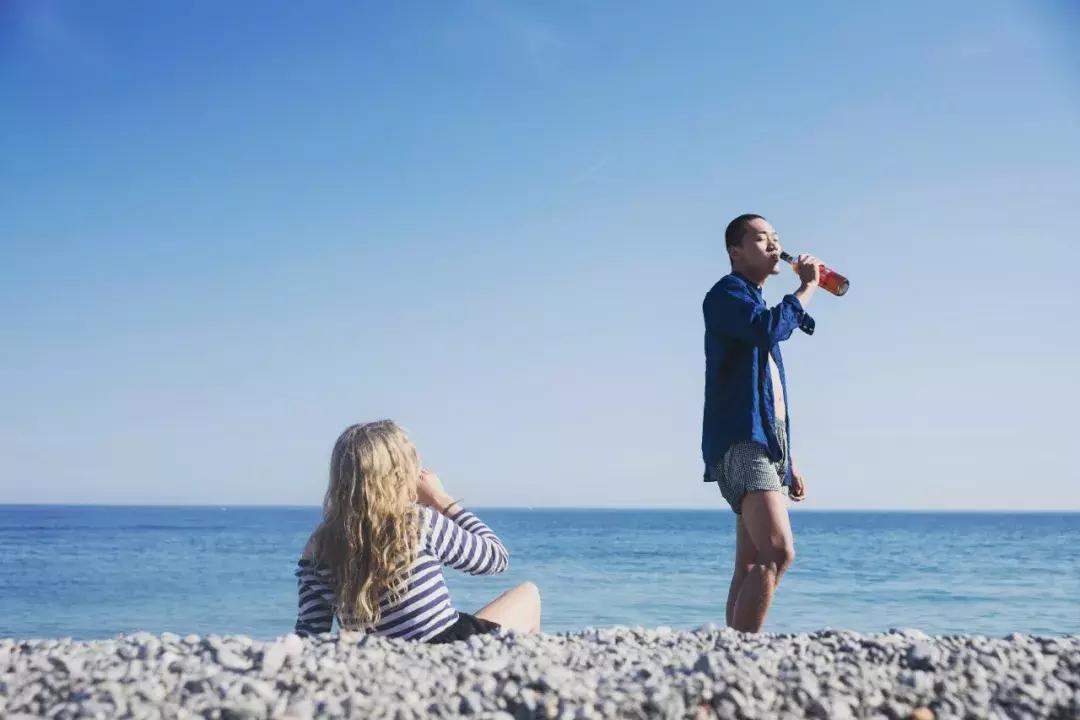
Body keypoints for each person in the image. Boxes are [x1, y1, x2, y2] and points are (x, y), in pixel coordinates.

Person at [294, 420, 541, 642]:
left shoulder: (317, 547)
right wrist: (442, 500)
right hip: (450, 647)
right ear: (399, 475)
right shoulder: (417, 523)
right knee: (529, 595)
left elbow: (310, 633)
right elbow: (496, 558)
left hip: (382, 660)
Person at [701, 213, 822, 633]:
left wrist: (787, 463)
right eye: (761, 238)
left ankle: (729, 652)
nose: (774, 245)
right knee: (778, 552)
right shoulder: (726, 295)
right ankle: (744, 655)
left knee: (751, 562)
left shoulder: (750, 299)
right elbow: (768, 329)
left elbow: (767, 399)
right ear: (735, 252)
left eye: (776, 238)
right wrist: (806, 287)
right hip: (740, 442)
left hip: (763, 444)